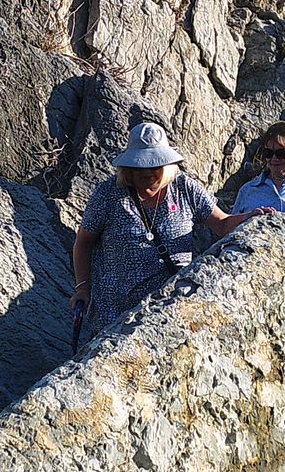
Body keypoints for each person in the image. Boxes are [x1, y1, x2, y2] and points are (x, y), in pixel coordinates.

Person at [71, 122, 274, 332]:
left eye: (155, 165)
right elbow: (83, 242)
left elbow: (222, 224)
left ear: (167, 164)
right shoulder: (108, 194)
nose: (148, 171)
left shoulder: (184, 187)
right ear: (129, 166)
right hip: (113, 313)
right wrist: (82, 288)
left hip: (170, 308)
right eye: (141, 165)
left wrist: (249, 218)